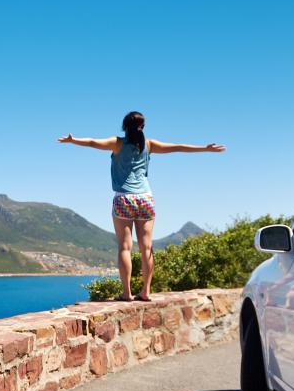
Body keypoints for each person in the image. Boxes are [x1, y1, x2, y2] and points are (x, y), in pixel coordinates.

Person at [58, 111, 225, 300]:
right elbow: (178, 147)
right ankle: (146, 291)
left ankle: (127, 293)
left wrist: (73, 140)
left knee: (124, 247)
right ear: (142, 126)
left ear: (124, 126)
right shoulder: (149, 144)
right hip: (146, 198)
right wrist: (204, 148)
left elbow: (92, 142)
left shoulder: (117, 143)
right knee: (146, 247)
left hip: (124, 198)